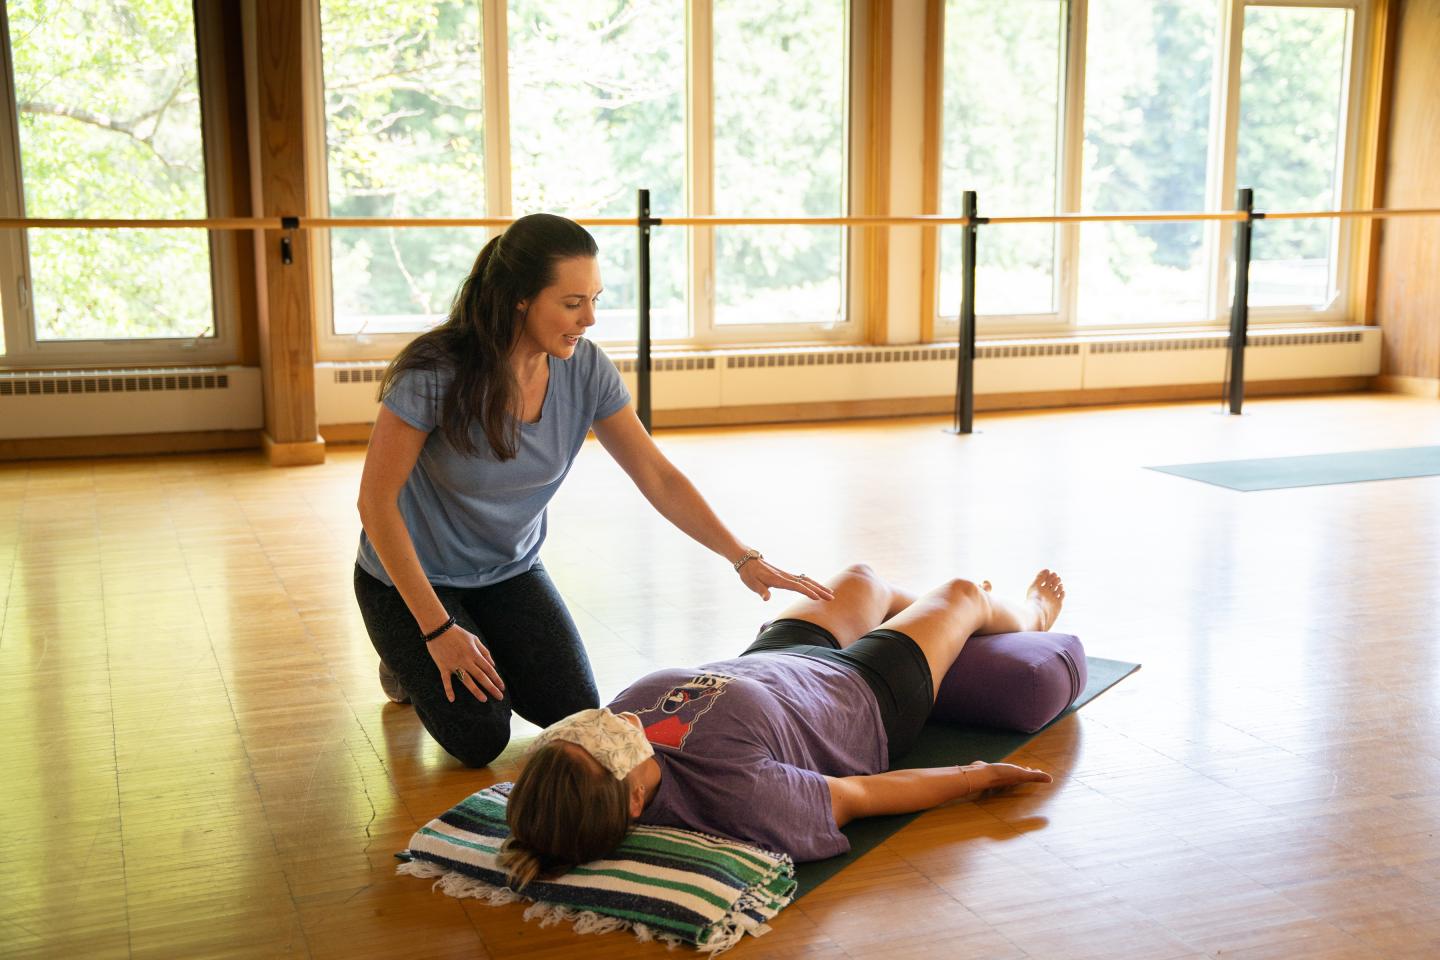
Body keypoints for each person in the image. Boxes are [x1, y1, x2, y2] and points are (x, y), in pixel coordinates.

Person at [355, 213, 832, 768]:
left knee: (577, 713)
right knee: (479, 739)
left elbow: (657, 475)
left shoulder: (585, 369)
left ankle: (478, 638)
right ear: (519, 299)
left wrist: (742, 558)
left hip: (508, 571)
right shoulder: (436, 372)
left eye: (596, 299)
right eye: (573, 302)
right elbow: (376, 502)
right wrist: (437, 629)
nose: (590, 318)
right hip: (411, 579)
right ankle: (404, 660)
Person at [499, 563, 1065, 885]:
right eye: (612, 742)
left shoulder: (597, 765)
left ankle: (932, 625)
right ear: (634, 805)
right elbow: (857, 795)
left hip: (776, 655)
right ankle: (1027, 616)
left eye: (590, 728)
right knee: (963, 592)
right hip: (866, 693)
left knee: (863, 578)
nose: (619, 719)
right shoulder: (737, 795)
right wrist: (976, 777)